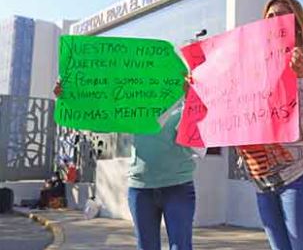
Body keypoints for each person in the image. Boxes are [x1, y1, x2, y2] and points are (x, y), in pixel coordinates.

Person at [236, 0, 303, 250]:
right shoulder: (248, 70)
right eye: (270, 16)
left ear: (297, 26)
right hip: (263, 177)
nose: (275, 20)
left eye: (282, 15)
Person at [54, 86, 202, 250]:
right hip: (141, 190)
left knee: (181, 247)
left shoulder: (186, 100)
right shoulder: (135, 100)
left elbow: (198, 140)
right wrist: (69, 98)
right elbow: (102, 121)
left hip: (178, 187)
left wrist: (192, 101)